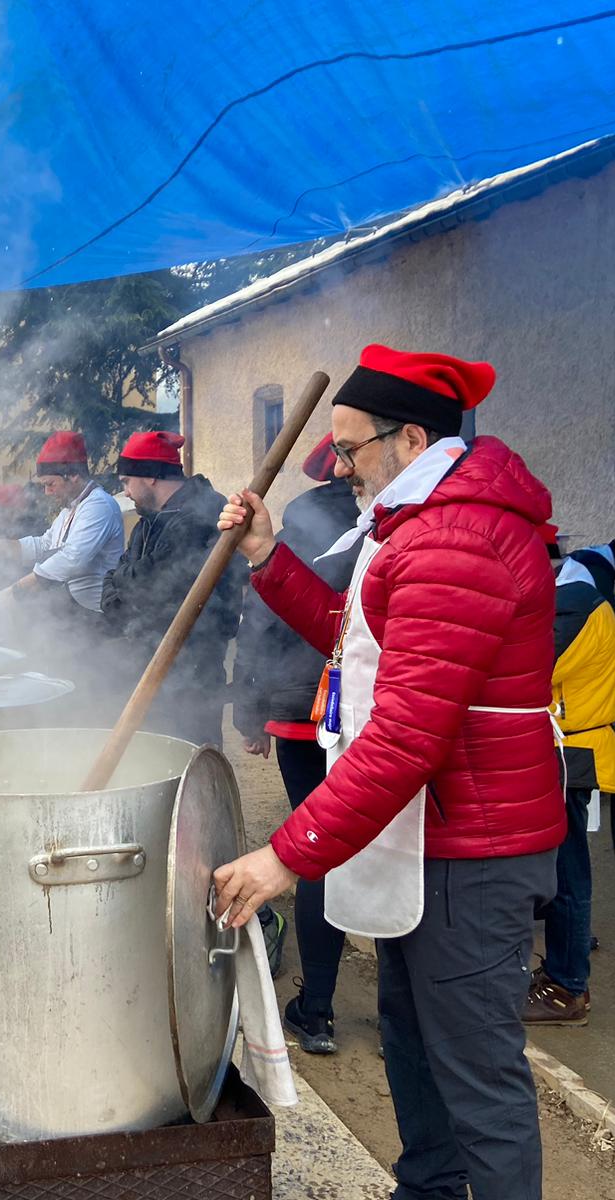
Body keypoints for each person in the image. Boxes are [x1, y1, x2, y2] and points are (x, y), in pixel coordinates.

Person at [211, 344, 564, 1200]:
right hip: (433, 834)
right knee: (413, 1037)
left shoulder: (458, 535)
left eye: (349, 447)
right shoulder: (416, 520)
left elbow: (409, 734)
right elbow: (355, 631)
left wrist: (288, 854)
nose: (339, 465)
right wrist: (267, 556)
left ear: (410, 438)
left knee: (476, 1070)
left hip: (472, 846)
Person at [232, 433, 359, 1049]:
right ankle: (397, 1019)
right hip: (365, 714)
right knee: (385, 853)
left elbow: (261, 618)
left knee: (317, 853)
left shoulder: (306, 521)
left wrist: (251, 712)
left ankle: (319, 1009)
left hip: (305, 715)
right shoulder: (384, 520)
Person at [99, 430, 244, 748]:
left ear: (150, 476)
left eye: (126, 482)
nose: (125, 491)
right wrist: (123, 586)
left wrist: (125, 583)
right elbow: (116, 579)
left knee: (191, 761)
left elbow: (152, 587)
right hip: (148, 661)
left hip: (192, 670)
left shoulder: (201, 519)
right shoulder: (148, 521)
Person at [526, 556, 615, 1027]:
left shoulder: (574, 608)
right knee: (560, 871)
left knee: (567, 876)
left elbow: (528, 667)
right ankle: (559, 977)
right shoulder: (575, 601)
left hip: (569, 752)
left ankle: (567, 988)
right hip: (566, 748)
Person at [0, 431, 125, 620]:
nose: (47, 492)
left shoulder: (98, 505)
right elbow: (46, 545)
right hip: (72, 607)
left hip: (96, 614)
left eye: (51, 484)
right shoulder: (69, 509)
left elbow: (72, 558)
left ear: (74, 475)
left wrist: (17, 589)